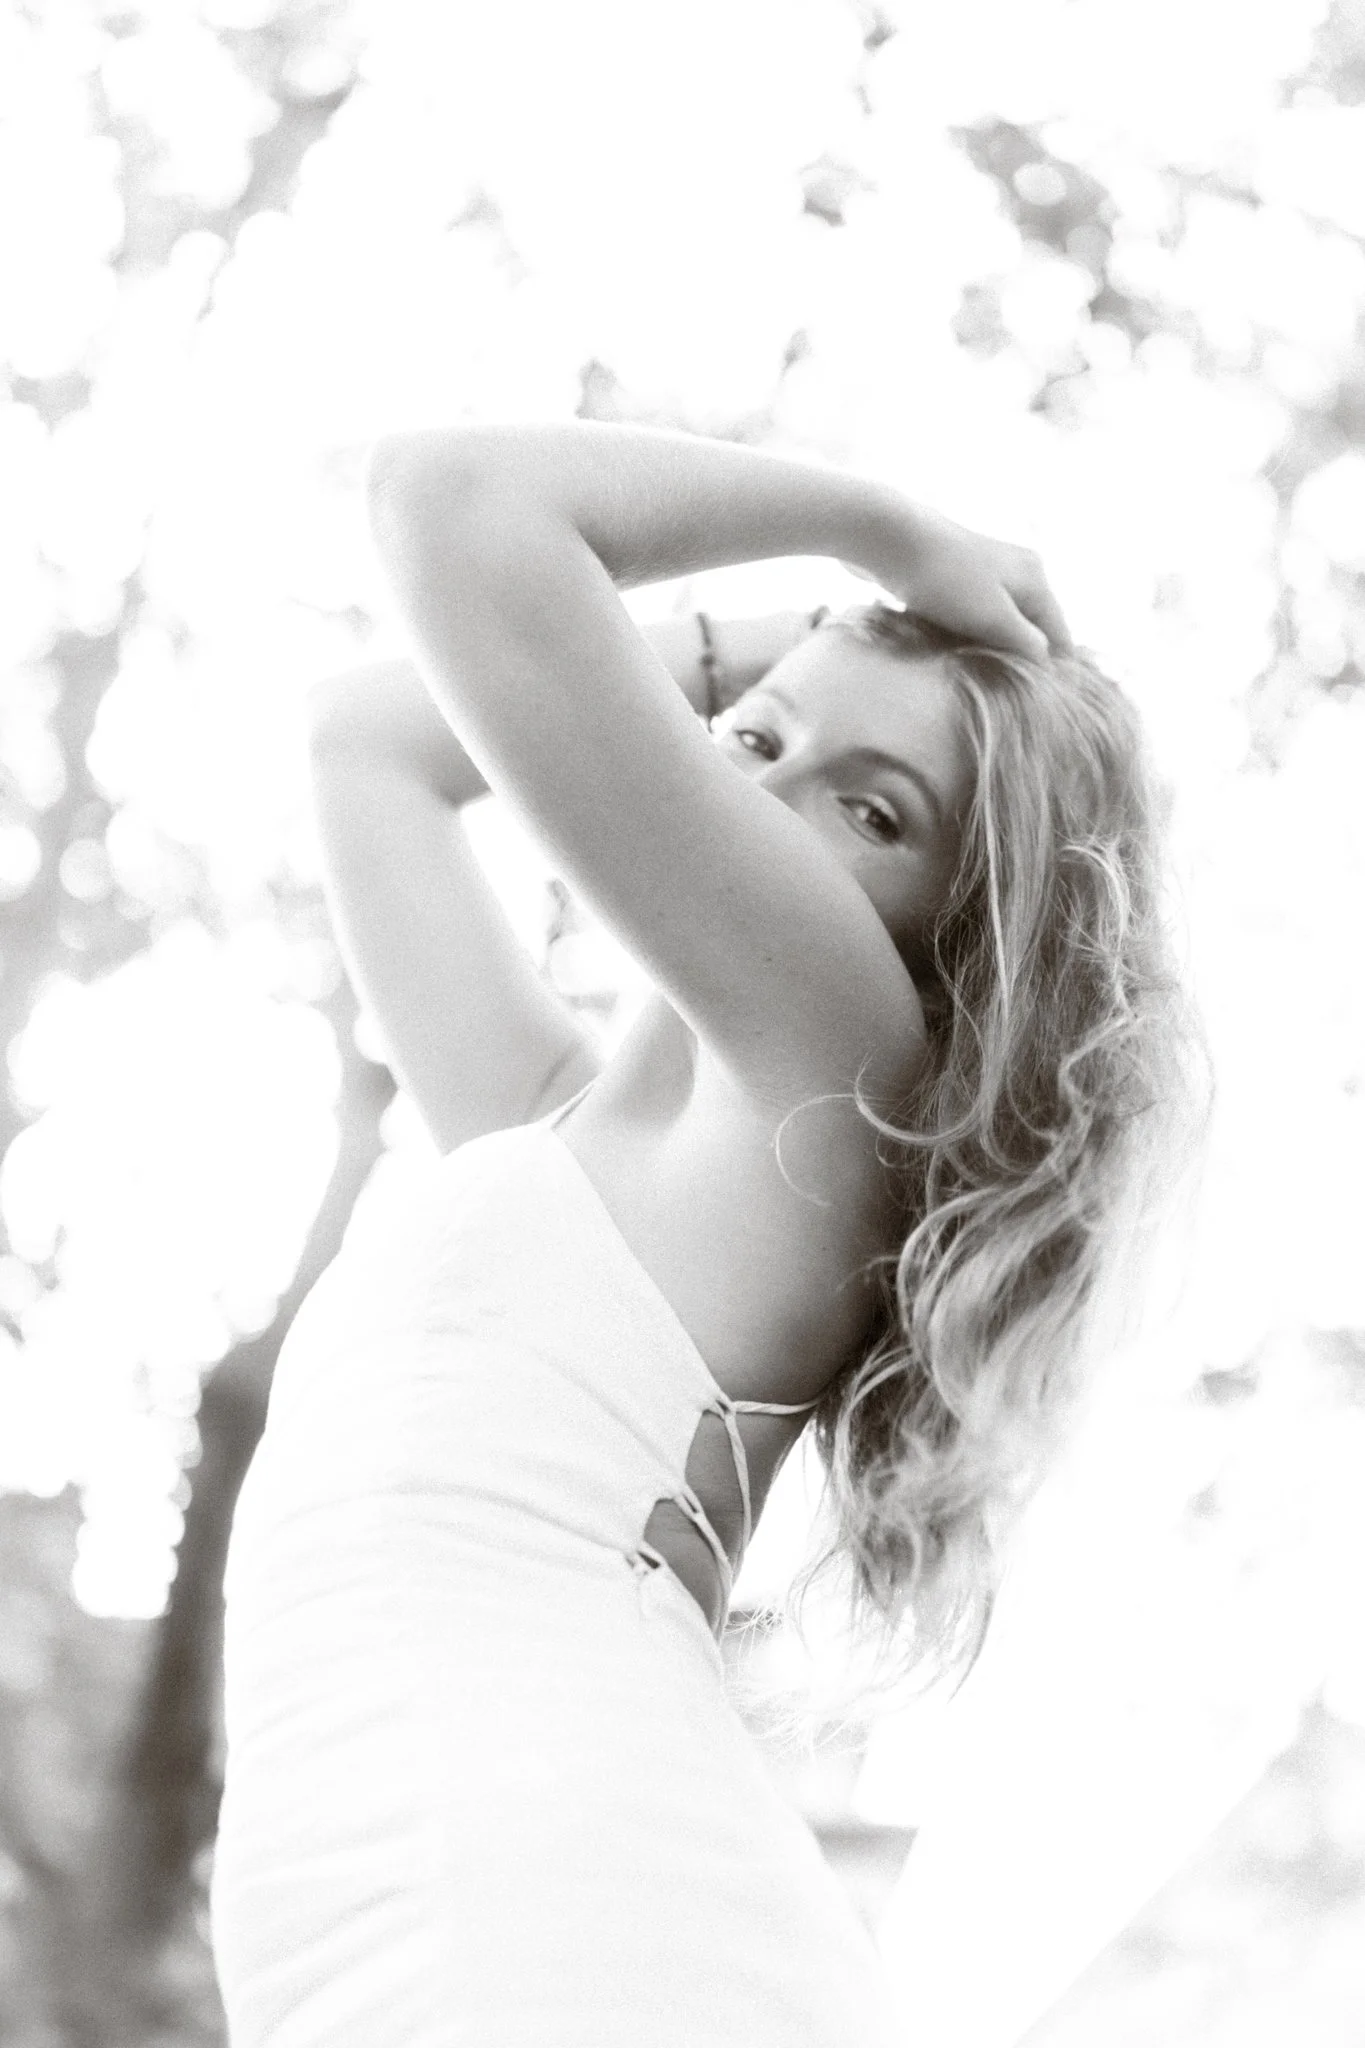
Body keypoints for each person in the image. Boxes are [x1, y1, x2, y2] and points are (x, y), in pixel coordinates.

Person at [209, 423, 1193, 2046]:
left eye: (875, 813)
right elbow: (368, 742)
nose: (772, 799)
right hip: (415, 1863)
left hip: (549, 1879)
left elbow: (455, 508)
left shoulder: (845, 1052)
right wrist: (820, 650)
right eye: (754, 745)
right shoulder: (560, 1145)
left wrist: (883, 530)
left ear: (956, 935)